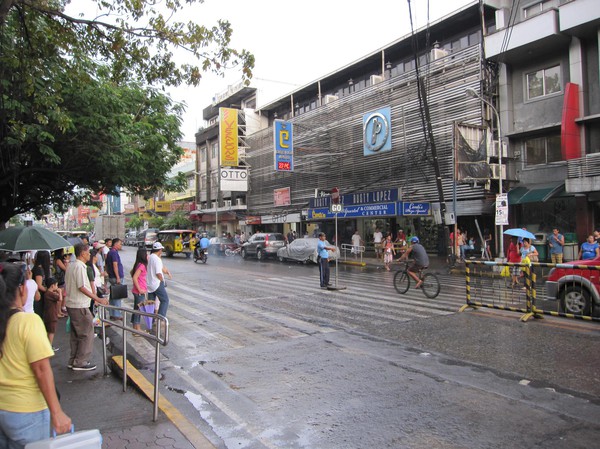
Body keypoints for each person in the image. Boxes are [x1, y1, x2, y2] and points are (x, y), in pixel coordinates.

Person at [0, 262, 72, 446]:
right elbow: (41, 369)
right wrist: (57, 412)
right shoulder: (27, 321)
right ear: (22, 289)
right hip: (26, 411)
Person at [65, 243, 109, 371]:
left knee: (76, 334)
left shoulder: (72, 266)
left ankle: (74, 359)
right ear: (83, 253)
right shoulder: (79, 267)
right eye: (88, 252)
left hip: (72, 304)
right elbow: (82, 287)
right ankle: (81, 361)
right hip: (79, 305)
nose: (90, 255)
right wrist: (97, 298)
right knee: (86, 333)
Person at [147, 242, 172, 320]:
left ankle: (150, 321)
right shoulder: (157, 259)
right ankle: (160, 319)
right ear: (160, 250)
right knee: (165, 300)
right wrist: (162, 281)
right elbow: (158, 273)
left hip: (150, 284)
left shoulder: (150, 257)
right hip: (157, 283)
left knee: (151, 303)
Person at [105, 238, 124, 320]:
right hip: (116, 277)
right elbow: (115, 265)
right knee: (117, 296)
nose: (121, 245)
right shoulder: (113, 253)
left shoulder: (110, 252)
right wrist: (118, 277)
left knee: (113, 296)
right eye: (120, 244)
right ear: (115, 244)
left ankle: (112, 313)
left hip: (112, 276)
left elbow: (106, 264)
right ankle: (116, 314)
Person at [130, 249, 148, 334]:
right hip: (139, 291)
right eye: (146, 254)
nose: (147, 256)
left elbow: (131, 273)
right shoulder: (142, 266)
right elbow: (134, 277)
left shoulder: (138, 264)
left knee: (136, 309)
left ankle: (135, 327)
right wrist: (140, 289)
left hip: (137, 290)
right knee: (139, 310)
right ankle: (137, 329)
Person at [43, 277, 61, 352]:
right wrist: (60, 292)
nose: (57, 287)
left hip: (48, 314)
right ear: (52, 286)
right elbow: (60, 299)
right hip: (52, 315)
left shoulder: (47, 293)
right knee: (51, 331)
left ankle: (48, 345)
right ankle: (49, 347)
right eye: (56, 285)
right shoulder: (50, 294)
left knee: (49, 331)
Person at [32, 251, 51, 318]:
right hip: (38, 295)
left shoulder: (37, 268)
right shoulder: (39, 270)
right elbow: (39, 285)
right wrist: (48, 290)